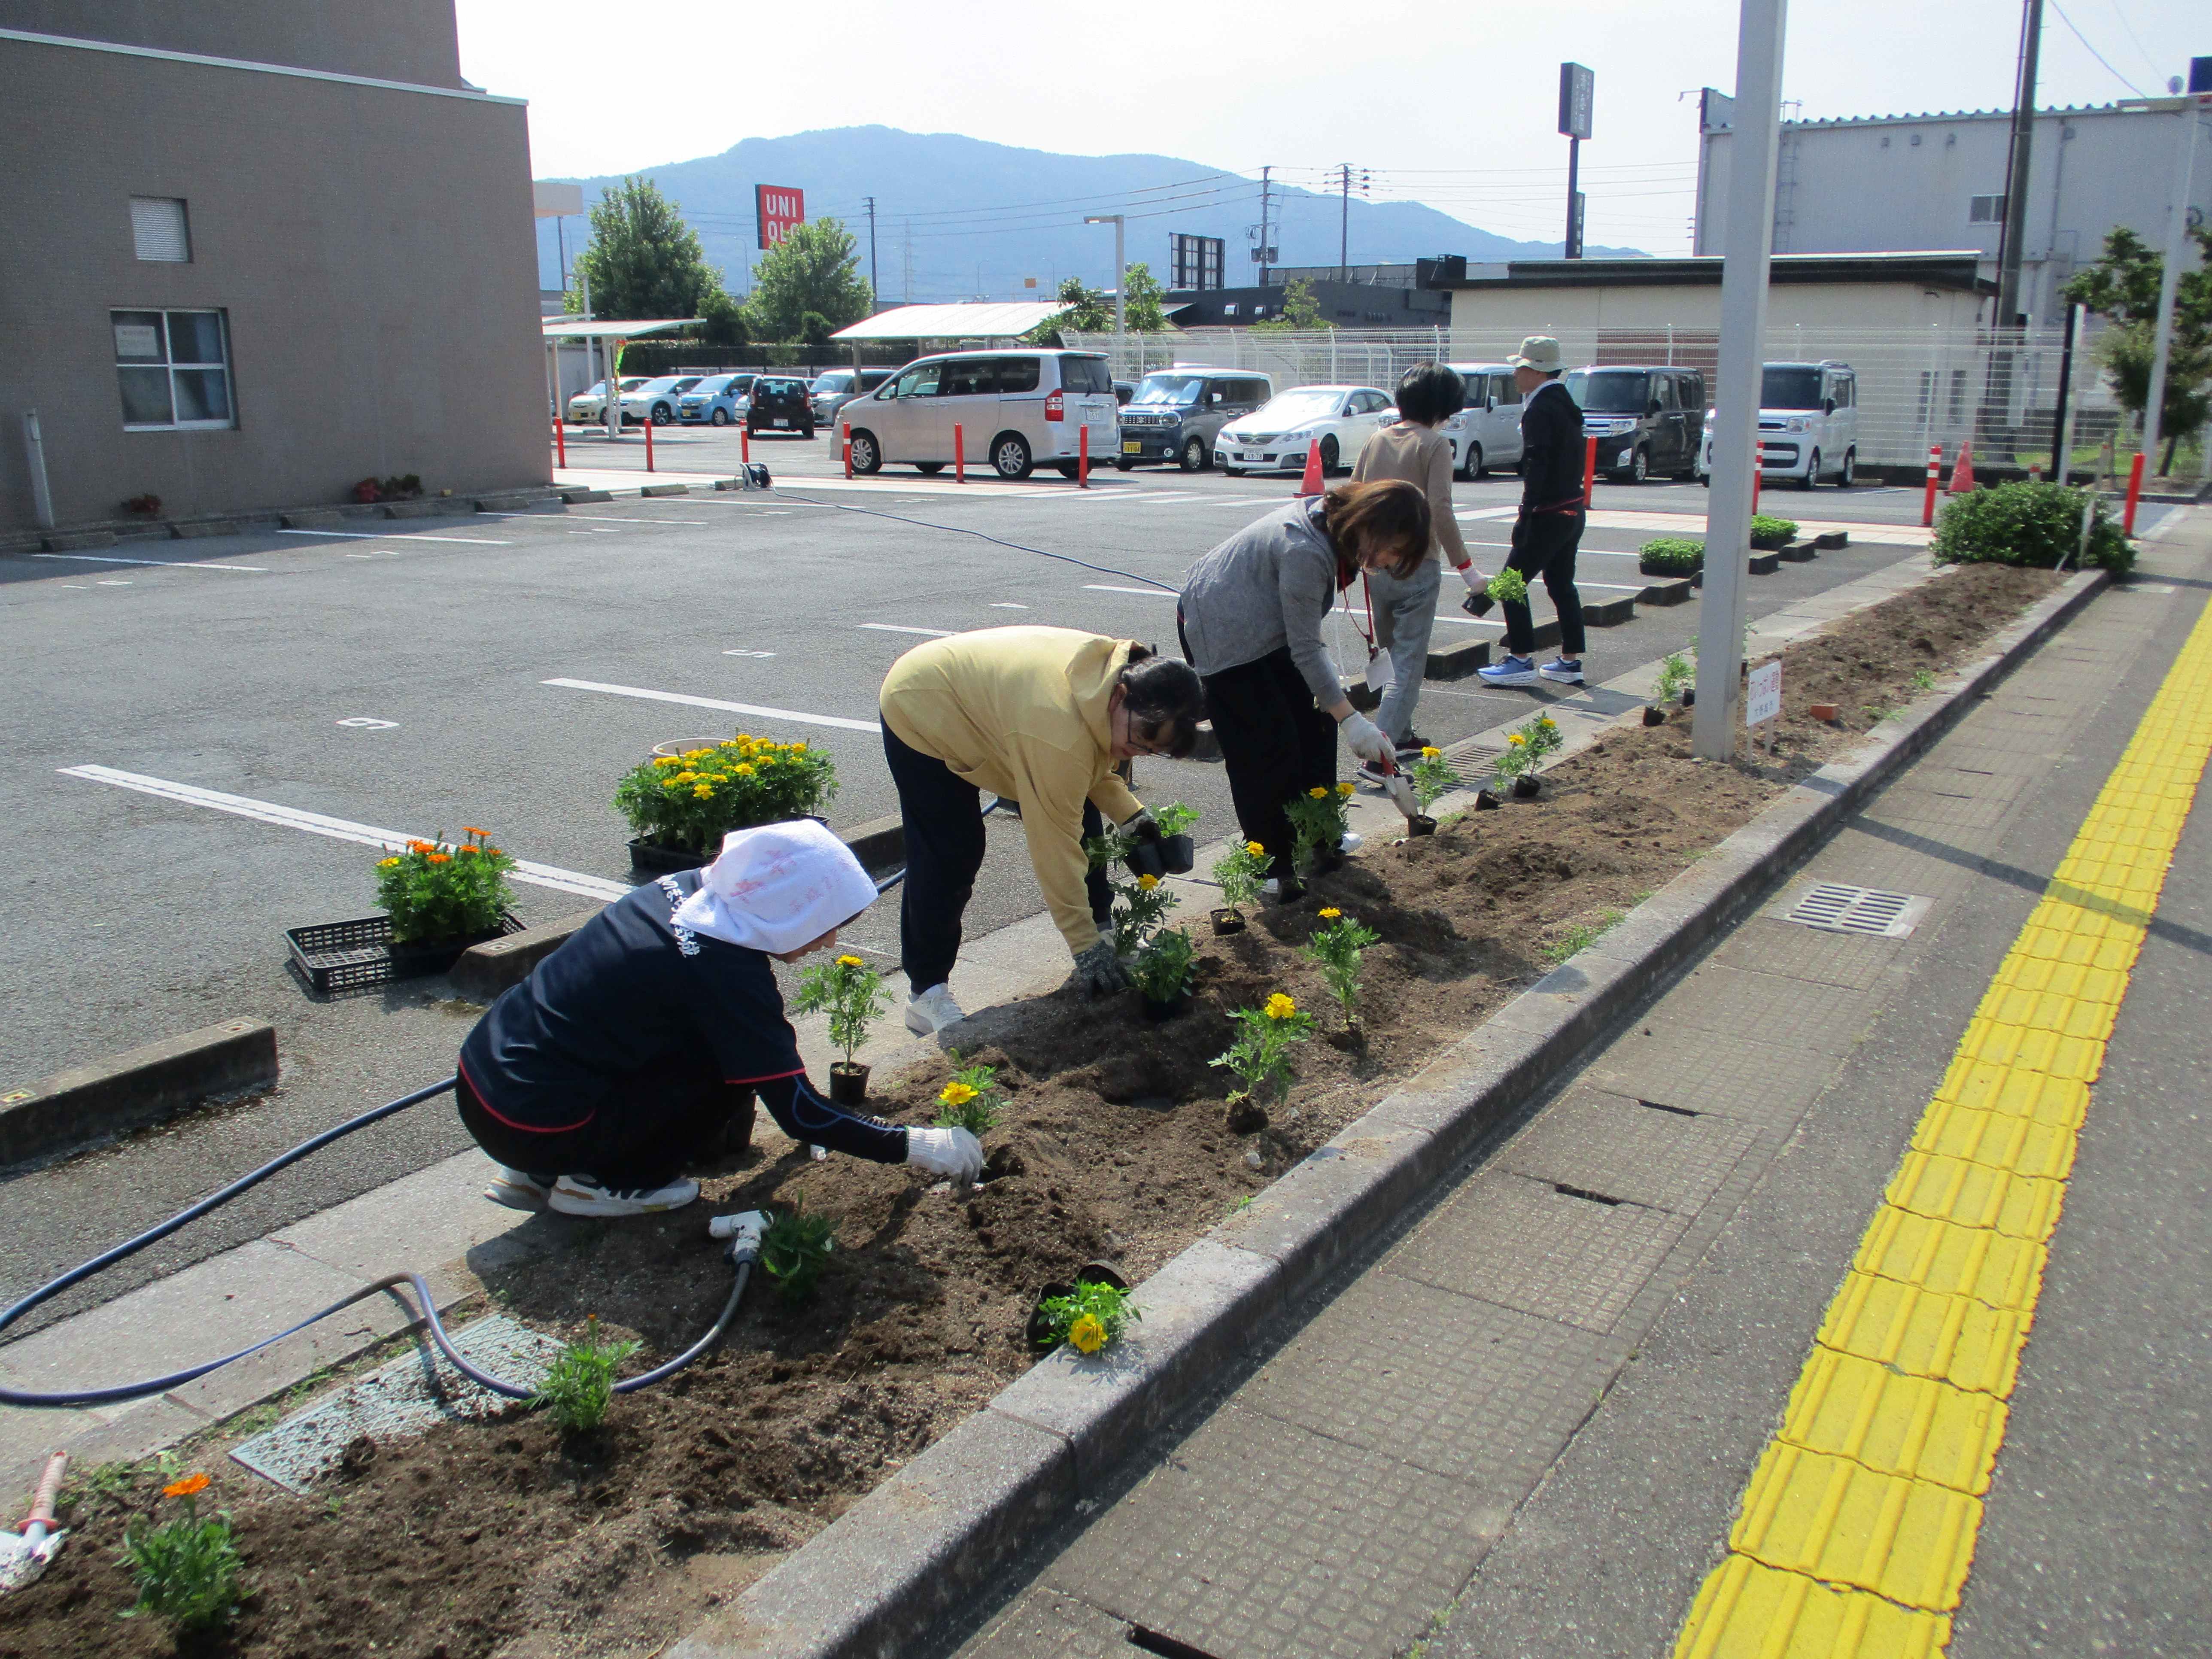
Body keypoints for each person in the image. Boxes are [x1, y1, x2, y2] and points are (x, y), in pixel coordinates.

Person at [458, 818, 984, 1218]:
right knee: (731, 1072)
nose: (828, 942)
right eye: (826, 924)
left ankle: (534, 1172)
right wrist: (918, 1145)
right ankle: (606, 1183)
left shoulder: (688, 890)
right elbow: (798, 1112)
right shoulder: (724, 968)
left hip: (487, 1079)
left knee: (694, 1041)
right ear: (789, 906)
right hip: (534, 1124)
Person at [878, 626, 1207, 1033]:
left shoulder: (1111, 682)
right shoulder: (1058, 731)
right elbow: (1055, 847)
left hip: (998, 705)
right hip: (922, 705)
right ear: (1121, 696)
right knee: (951, 851)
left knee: (1081, 814)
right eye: (1141, 739)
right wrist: (1082, 946)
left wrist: (1135, 821)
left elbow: (1092, 771)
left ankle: (1103, 933)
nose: (1137, 753)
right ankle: (926, 994)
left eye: (1152, 751)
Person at [1178, 480, 1431, 898]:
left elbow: (1305, 637)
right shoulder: (1307, 550)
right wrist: (1353, 721)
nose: (1390, 562)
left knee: (1316, 724)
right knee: (1265, 746)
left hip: (1268, 623)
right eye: (1394, 550)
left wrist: (1337, 712)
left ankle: (1321, 833)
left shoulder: (1337, 528)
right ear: (1372, 526)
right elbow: (1307, 648)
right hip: (1220, 627)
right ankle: (1268, 863)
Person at [1350, 362, 1489, 778]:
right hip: (1417, 564)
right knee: (1408, 663)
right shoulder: (1435, 445)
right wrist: (1467, 569)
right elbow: (1440, 509)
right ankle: (1380, 756)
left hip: (1375, 566)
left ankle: (1402, 733)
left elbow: (1353, 493)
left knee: (1389, 656)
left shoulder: (1377, 439)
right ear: (1443, 407)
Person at [1479, 336, 1589, 688]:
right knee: (1561, 584)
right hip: (1572, 509)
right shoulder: (1565, 403)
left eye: (1521, 367)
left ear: (1538, 371)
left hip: (1548, 512)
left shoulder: (1540, 409)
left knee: (1510, 583)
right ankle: (1570, 661)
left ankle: (1520, 658)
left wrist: (1525, 515)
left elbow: (1538, 466)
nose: (1515, 374)